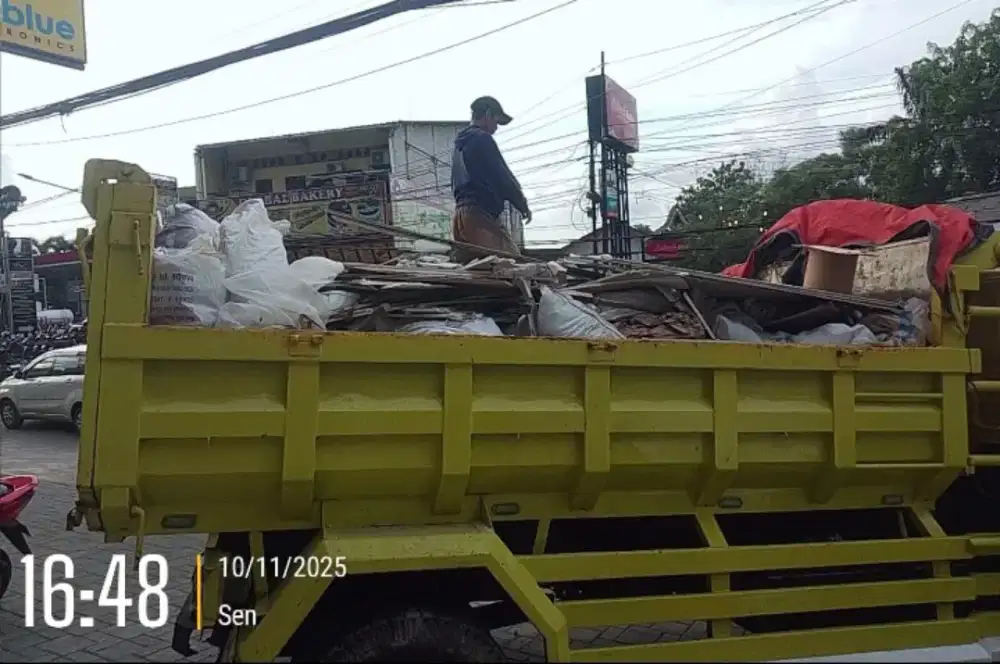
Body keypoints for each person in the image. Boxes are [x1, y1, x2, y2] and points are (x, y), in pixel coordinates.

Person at [451, 96, 531, 262]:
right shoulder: (482, 138)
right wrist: (521, 204)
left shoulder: (459, 145)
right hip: (479, 215)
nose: (496, 128)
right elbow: (502, 176)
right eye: (496, 121)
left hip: (460, 216)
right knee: (511, 263)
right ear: (487, 114)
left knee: (472, 270)